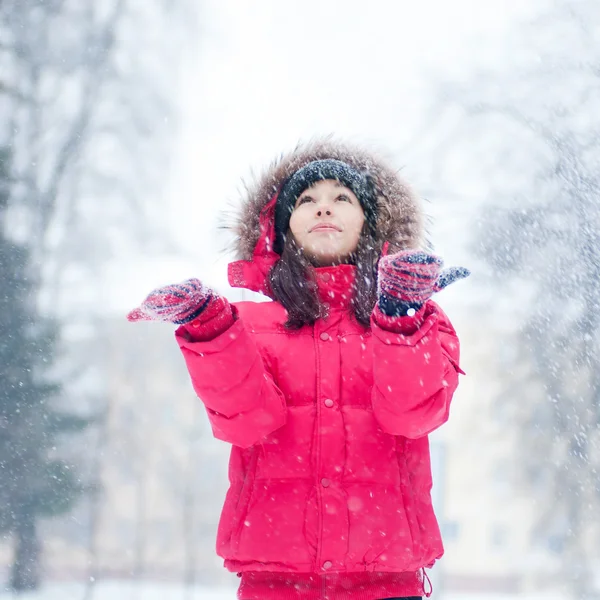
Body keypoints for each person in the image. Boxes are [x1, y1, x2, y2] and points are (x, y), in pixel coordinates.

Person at [127, 138, 469, 600]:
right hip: (276, 581)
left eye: (342, 198)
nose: (323, 209)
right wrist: (208, 328)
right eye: (306, 200)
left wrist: (400, 315)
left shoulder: (418, 319)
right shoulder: (248, 325)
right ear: (281, 230)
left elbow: (412, 415)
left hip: (386, 581)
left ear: (371, 223)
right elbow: (246, 423)